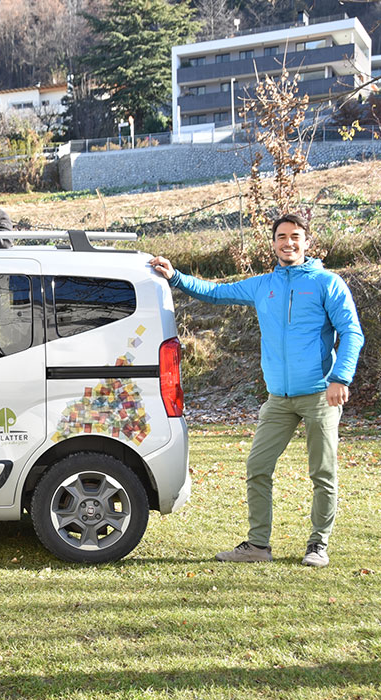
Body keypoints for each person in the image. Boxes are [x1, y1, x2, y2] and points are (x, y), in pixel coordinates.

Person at [149, 213, 363, 568]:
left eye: (295, 236)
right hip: (278, 398)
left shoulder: (327, 283)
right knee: (257, 467)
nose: (288, 242)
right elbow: (216, 293)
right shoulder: (263, 285)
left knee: (322, 473)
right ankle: (258, 546)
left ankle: (317, 545)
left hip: (319, 394)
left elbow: (352, 332)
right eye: (282, 236)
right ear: (273, 243)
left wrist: (340, 377)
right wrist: (176, 277)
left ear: (307, 242)